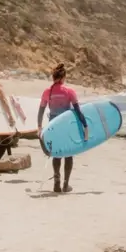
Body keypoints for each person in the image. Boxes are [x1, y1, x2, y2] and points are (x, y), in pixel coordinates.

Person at [37, 63, 88, 193]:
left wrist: (39, 127)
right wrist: (85, 125)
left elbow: (41, 111)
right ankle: (65, 185)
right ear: (63, 77)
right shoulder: (69, 91)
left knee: (57, 154)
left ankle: (56, 183)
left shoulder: (47, 92)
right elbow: (78, 111)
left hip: (53, 126)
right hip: (67, 126)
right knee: (68, 153)